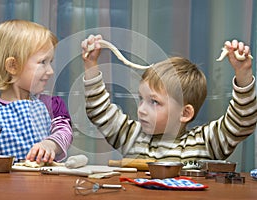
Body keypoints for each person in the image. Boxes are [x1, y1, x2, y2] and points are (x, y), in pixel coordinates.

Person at [81, 34, 257, 169]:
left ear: (185, 113)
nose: (141, 109)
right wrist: (91, 65)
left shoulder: (205, 142)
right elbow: (100, 111)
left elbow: (242, 122)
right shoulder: (132, 136)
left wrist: (243, 74)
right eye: (141, 99)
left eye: (154, 102)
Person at [0, 19, 73, 171]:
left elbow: (65, 132)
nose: (50, 71)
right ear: (13, 66)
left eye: (50, 61)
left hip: (45, 187)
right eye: (43, 62)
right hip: (3, 190)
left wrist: (50, 144)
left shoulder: (51, 106)